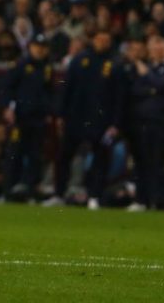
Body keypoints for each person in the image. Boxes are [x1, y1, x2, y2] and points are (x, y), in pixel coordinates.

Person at [44, 30, 125, 210]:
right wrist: (61, 115)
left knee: (100, 159)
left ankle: (95, 195)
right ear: (93, 39)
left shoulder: (115, 64)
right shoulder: (80, 60)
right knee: (64, 157)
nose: (102, 42)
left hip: (101, 121)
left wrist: (115, 124)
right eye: (99, 38)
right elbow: (67, 88)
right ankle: (59, 193)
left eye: (106, 39)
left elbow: (119, 97)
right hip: (76, 118)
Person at [127, 34, 164, 211]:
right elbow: (136, 89)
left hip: (162, 122)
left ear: (162, 48)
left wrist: (150, 79)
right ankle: (142, 199)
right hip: (143, 121)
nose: (151, 51)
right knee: (142, 161)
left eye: (154, 47)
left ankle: (157, 200)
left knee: (158, 162)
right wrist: (153, 87)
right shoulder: (150, 67)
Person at [1, 33, 53, 200]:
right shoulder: (20, 65)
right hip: (20, 118)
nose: (40, 50)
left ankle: (30, 192)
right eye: (37, 47)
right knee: (14, 153)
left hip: (38, 119)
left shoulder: (47, 68)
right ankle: (8, 191)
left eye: (43, 48)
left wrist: (49, 112)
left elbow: (48, 92)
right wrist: (8, 107)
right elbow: (8, 88)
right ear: (30, 47)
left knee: (35, 156)